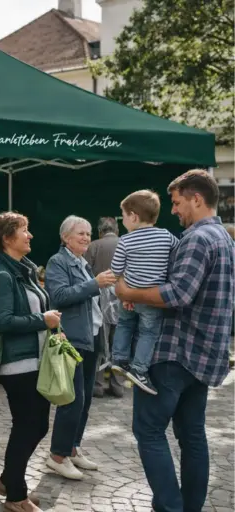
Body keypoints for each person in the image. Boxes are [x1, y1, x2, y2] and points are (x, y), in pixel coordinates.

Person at [115, 169, 234, 512]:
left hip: (174, 354)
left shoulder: (198, 239)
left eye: (178, 202)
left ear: (197, 199)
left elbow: (178, 293)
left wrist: (128, 291)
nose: (175, 210)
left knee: (149, 431)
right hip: (203, 356)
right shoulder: (224, 238)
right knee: (192, 436)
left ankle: (170, 508)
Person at [0, 212, 61, 512]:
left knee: (37, 425)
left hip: (34, 361)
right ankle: (15, 495)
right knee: (28, 426)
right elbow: (2, 321)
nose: (30, 235)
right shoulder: (3, 275)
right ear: (6, 238)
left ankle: (8, 479)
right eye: (24, 230)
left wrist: (51, 326)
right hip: (17, 366)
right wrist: (42, 320)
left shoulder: (21, 270)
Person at [44, 215, 117, 480]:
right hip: (73, 339)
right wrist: (94, 283)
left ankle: (72, 448)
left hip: (91, 337)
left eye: (88, 233)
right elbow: (60, 296)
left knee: (84, 400)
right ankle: (57, 456)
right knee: (72, 400)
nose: (86, 237)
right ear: (65, 238)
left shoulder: (83, 263)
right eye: (80, 234)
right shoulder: (58, 262)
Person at [109, 190, 179, 395]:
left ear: (133, 216)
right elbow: (178, 255)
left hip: (129, 297)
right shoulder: (166, 236)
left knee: (125, 324)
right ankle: (139, 370)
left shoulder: (125, 241)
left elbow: (115, 270)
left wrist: (127, 293)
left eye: (123, 216)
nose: (123, 221)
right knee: (148, 333)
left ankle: (119, 359)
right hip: (152, 297)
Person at [84, 217, 124, 398]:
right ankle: (117, 385)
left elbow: (85, 274)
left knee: (100, 342)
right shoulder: (125, 244)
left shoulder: (93, 246)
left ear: (100, 231)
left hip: (99, 301)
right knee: (120, 343)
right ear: (116, 230)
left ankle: (97, 385)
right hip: (124, 300)